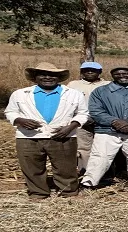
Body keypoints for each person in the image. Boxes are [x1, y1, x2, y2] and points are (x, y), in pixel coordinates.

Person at [5, 63, 89, 200]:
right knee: (32, 166)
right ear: (35, 77)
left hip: (63, 135)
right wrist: (20, 121)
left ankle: (68, 191)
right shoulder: (20, 94)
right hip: (28, 137)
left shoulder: (74, 94)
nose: (47, 77)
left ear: (59, 77)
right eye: (42, 74)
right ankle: (38, 192)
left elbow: (83, 113)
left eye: (52, 75)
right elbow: (10, 112)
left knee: (65, 167)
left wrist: (70, 127)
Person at [80, 67, 128, 188]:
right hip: (106, 130)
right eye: (117, 74)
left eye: (125, 73)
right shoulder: (100, 91)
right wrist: (114, 121)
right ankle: (89, 183)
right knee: (100, 156)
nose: (122, 75)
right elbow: (96, 111)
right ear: (112, 76)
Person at [66, 61, 110, 172]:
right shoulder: (73, 85)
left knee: (104, 148)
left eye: (93, 70)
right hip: (81, 122)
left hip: (104, 122)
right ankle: (85, 170)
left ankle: (104, 171)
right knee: (83, 148)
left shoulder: (108, 85)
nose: (90, 72)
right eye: (86, 70)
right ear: (81, 72)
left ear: (100, 72)